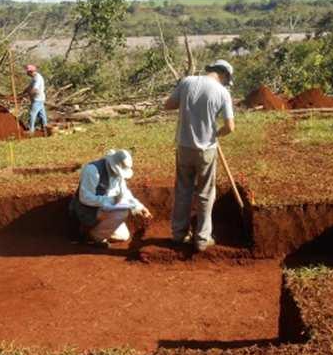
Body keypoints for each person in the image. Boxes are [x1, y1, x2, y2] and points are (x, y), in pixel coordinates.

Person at [164, 59, 235, 252]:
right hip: (207, 150)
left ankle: (179, 235)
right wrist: (216, 133)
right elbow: (230, 127)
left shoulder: (187, 82)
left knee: (183, 191)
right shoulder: (223, 92)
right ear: (224, 75)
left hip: (184, 147)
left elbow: (168, 105)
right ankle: (202, 239)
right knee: (205, 193)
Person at [69, 149, 152, 245]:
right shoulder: (93, 170)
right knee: (122, 212)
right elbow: (85, 197)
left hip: (106, 209)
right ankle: (94, 237)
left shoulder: (117, 175)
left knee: (123, 236)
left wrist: (139, 207)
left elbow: (125, 193)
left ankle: (91, 233)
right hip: (87, 210)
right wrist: (110, 200)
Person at [21, 64, 48, 133]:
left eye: (27, 72)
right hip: (39, 98)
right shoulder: (34, 78)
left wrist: (28, 94)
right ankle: (45, 127)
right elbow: (29, 87)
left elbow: (35, 89)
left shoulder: (38, 78)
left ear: (31, 71)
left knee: (32, 114)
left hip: (38, 99)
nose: (27, 73)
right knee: (42, 114)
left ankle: (31, 130)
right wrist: (23, 92)